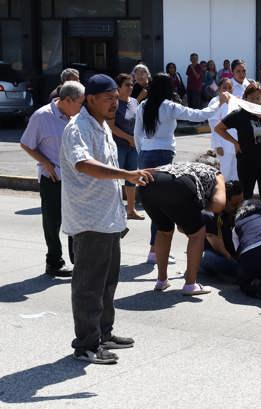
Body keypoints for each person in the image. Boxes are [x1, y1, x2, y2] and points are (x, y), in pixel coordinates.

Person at [60, 74, 154, 364]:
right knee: (89, 286)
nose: (115, 102)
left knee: (108, 281)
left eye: (117, 97)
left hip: (109, 219)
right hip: (89, 220)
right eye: (108, 98)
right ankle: (86, 345)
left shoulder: (102, 126)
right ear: (90, 99)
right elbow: (84, 164)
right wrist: (127, 176)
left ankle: (104, 333)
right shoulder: (78, 128)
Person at [134, 73, 230, 264]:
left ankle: (154, 249)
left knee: (153, 203)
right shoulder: (169, 106)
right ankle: (155, 250)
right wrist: (218, 102)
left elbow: (137, 134)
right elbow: (199, 115)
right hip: (163, 154)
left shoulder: (143, 105)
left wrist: (142, 153)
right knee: (162, 203)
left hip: (146, 152)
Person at [20, 81, 84, 277]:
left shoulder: (78, 117)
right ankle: (54, 262)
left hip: (75, 177)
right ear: (66, 100)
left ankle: (79, 259)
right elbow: (26, 143)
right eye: (79, 103)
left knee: (77, 219)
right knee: (53, 221)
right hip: (53, 178)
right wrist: (45, 163)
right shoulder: (42, 117)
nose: (82, 107)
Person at [139, 161, 226, 295]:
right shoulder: (216, 173)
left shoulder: (183, 165)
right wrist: (196, 211)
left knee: (163, 231)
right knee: (197, 233)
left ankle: (161, 281)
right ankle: (190, 284)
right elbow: (218, 204)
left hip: (147, 183)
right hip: (177, 185)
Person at [214, 82, 261, 206]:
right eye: (251, 98)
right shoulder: (239, 114)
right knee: (246, 196)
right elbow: (219, 128)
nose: (255, 101)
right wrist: (234, 142)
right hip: (246, 162)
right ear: (245, 98)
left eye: (258, 98)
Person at [108, 74, 144, 220]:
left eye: (131, 84)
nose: (130, 87)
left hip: (133, 147)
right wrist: (129, 138)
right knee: (114, 178)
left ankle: (131, 209)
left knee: (132, 178)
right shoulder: (114, 103)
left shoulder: (135, 102)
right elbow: (111, 126)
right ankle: (113, 210)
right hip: (118, 146)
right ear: (118, 87)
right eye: (127, 85)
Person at [200, 180, 244, 278]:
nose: (239, 207)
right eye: (235, 204)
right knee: (209, 258)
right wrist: (234, 262)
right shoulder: (209, 214)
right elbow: (220, 249)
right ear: (224, 200)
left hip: (230, 252)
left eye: (241, 202)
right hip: (213, 253)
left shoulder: (234, 212)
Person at [208, 78, 238, 181]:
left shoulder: (235, 101)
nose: (227, 90)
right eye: (224, 87)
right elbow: (213, 125)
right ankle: (224, 195)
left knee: (236, 172)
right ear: (219, 89)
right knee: (225, 172)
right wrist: (218, 145)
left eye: (230, 88)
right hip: (223, 144)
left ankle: (235, 195)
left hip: (236, 142)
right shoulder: (215, 101)